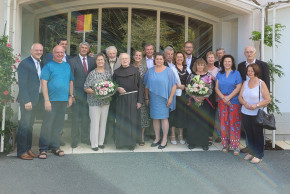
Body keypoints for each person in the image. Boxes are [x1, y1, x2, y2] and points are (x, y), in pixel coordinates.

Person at [38, 45, 74, 159]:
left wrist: (70, 96)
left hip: (63, 100)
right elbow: (43, 83)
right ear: (53, 53)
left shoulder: (67, 66)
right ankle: (43, 149)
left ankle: (55, 147)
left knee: (58, 125)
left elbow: (71, 82)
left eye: (61, 52)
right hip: (51, 101)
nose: (59, 54)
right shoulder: (48, 66)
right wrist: (46, 100)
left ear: (64, 54)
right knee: (47, 125)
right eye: (57, 52)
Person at [238, 46, 270, 153]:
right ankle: (250, 148)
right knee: (249, 130)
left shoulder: (263, 65)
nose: (249, 54)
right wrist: (243, 102)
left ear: (255, 53)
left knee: (257, 131)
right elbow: (240, 84)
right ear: (244, 53)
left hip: (258, 104)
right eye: (247, 52)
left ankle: (258, 153)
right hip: (246, 103)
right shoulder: (241, 66)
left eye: (251, 52)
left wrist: (263, 103)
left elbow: (267, 84)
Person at [144, 52, 177, 149]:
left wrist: (170, 98)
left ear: (164, 60)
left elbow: (174, 85)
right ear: (155, 60)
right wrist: (146, 97)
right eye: (157, 59)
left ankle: (164, 139)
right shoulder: (150, 71)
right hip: (153, 97)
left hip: (165, 98)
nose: (159, 61)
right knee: (155, 118)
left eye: (161, 59)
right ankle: (157, 138)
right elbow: (145, 85)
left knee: (164, 118)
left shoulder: (169, 71)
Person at [16, 43, 43, 160]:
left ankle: (28, 149)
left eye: (41, 50)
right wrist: (26, 100)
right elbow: (22, 84)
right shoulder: (24, 63)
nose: (39, 52)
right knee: (24, 126)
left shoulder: (40, 63)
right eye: (36, 50)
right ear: (31, 51)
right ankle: (21, 151)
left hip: (35, 100)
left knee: (30, 126)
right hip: (27, 101)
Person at [113, 53, 143, 150]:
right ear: (120, 60)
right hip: (121, 99)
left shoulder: (135, 71)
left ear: (129, 60)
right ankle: (120, 143)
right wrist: (117, 89)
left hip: (133, 98)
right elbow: (113, 85)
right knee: (121, 120)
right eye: (123, 59)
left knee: (131, 121)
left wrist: (139, 101)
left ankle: (131, 143)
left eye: (126, 59)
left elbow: (140, 86)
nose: (125, 60)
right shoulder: (116, 72)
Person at [69, 42, 95, 148]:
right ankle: (74, 139)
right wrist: (72, 94)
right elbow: (70, 79)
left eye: (86, 48)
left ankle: (84, 138)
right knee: (75, 118)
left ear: (88, 50)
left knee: (86, 117)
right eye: (82, 47)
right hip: (77, 94)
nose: (84, 49)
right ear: (79, 49)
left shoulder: (92, 61)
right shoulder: (72, 61)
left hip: (89, 94)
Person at [84, 53, 112, 151]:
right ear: (95, 62)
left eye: (102, 60)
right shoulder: (92, 73)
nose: (100, 61)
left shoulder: (108, 73)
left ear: (105, 61)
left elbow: (111, 86)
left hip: (105, 102)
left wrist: (107, 92)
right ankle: (94, 144)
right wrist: (97, 92)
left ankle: (101, 142)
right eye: (98, 60)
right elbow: (86, 87)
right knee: (95, 123)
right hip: (94, 101)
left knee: (103, 122)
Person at [215, 55, 242, 155]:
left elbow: (238, 87)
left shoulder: (236, 73)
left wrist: (228, 97)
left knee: (234, 123)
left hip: (233, 102)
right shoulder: (219, 74)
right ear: (222, 63)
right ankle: (225, 144)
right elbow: (216, 88)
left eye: (229, 61)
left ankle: (235, 146)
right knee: (224, 122)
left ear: (232, 63)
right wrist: (223, 98)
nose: (227, 63)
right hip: (222, 102)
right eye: (225, 61)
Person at [185, 58, 213, 151]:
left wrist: (203, 97)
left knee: (203, 122)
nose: (200, 66)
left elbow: (210, 89)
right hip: (193, 101)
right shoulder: (191, 75)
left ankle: (204, 143)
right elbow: (187, 88)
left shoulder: (208, 75)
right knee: (193, 121)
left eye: (202, 65)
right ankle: (192, 142)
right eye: (198, 65)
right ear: (195, 66)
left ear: (204, 66)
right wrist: (194, 97)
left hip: (204, 102)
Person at [170, 51, 189, 145]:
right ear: (175, 58)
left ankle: (180, 135)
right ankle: (173, 134)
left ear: (183, 58)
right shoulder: (171, 69)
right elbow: (169, 82)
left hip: (186, 96)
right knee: (174, 115)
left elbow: (192, 80)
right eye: (177, 57)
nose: (179, 59)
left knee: (182, 116)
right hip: (176, 95)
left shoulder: (187, 69)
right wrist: (179, 86)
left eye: (181, 57)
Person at [133, 50, 150, 146]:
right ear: (133, 56)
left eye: (140, 55)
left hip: (142, 95)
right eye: (136, 55)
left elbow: (147, 83)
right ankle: (133, 135)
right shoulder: (130, 66)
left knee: (142, 116)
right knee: (133, 115)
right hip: (131, 95)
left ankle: (141, 137)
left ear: (142, 57)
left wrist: (146, 97)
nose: (138, 56)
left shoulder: (145, 68)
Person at [104, 46, 120, 143]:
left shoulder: (121, 61)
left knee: (116, 115)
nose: (112, 55)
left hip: (118, 93)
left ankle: (115, 135)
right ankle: (104, 136)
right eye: (110, 53)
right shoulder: (103, 61)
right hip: (105, 93)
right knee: (106, 115)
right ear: (107, 54)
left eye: (114, 53)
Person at [206, 51, 220, 144]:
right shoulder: (203, 68)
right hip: (203, 95)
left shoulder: (218, 70)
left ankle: (210, 136)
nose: (210, 59)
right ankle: (203, 134)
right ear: (206, 59)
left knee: (211, 116)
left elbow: (219, 85)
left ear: (215, 59)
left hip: (213, 96)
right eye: (209, 57)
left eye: (212, 57)